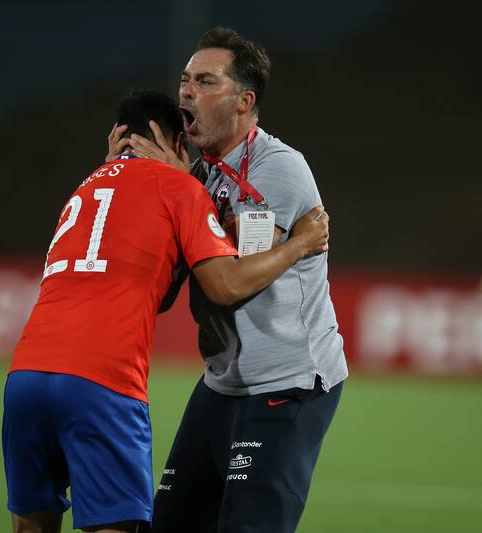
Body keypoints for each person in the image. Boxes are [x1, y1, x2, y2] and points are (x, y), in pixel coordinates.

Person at [2, 90, 331, 533]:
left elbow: (155, 288)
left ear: (117, 136)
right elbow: (224, 285)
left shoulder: (84, 188)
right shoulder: (180, 188)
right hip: (102, 381)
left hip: (25, 376)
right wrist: (301, 243)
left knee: (30, 527)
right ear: (177, 144)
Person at [107, 27, 348, 532]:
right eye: (185, 80)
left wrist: (301, 242)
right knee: (170, 522)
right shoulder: (198, 176)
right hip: (223, 382)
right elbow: (166, 289)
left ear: (244, 100)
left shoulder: (276, 167)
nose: (186, 92)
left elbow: (232, 281)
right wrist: (159, 190)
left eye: (205, 81)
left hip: (287, 383)